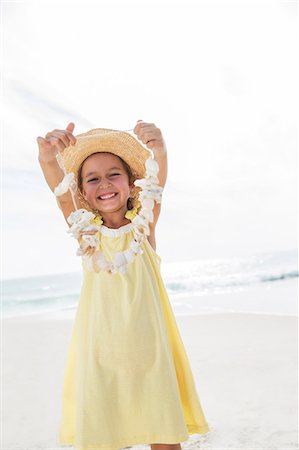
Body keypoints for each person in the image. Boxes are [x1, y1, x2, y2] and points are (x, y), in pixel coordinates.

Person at [37, 120, 210, 450]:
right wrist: (47, 159)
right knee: (106, 438)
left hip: (151, 356)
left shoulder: (143, 230)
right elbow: (61, 198)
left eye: (113, 174)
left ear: (131, 184)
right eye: (93, 178)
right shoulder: (88, 235)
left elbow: (158, 183)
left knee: (164, 438)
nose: (104, 183)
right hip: (101, 356)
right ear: (83, 192)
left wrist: (159, 148)